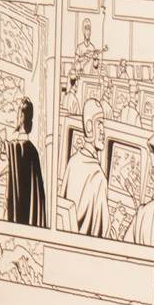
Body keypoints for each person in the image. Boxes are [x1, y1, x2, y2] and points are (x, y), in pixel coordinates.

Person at [61, 97, 110, 236]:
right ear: (89, 127)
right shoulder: (99, 177)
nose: (103, 131)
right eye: (99, 124)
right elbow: (103, 234)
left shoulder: (72, 162)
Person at [2, 96, 48, 226]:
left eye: (18, 114)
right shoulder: (34, 152)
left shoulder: (12, 148)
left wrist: (0, 144)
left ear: (21, 118)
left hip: (14, 217)